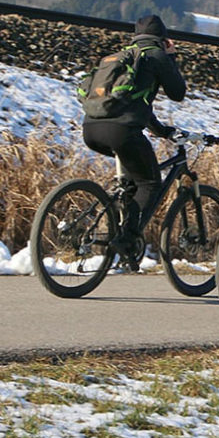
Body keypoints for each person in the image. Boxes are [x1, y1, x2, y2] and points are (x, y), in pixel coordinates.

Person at [82, 14, 186, 267]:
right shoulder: (156, 56)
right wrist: (171, 56)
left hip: (91, 129)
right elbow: (178, 93)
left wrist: (161, 131)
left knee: (131, 182)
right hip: (122, 131)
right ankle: (126, 238)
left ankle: (118, 229)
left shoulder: (123, 56)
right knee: (150, 182)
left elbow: (135, 101)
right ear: (162, 37)